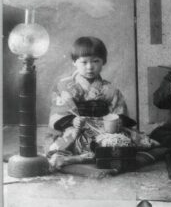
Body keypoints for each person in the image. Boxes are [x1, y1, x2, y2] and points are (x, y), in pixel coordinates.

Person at [46, 36, 158, 171]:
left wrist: (116, 122)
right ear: (74, 62)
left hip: (103, 127)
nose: (90, 67)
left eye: (95, 61)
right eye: (84, 62)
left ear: (103, 62)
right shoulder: (64, 85)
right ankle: (80, 156)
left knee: (121, 139)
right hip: (77, 126)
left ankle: (80, 157)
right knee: (70, 139)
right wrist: (73, 121)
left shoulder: (110, 89)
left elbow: (119, 112)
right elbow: (60, 111)